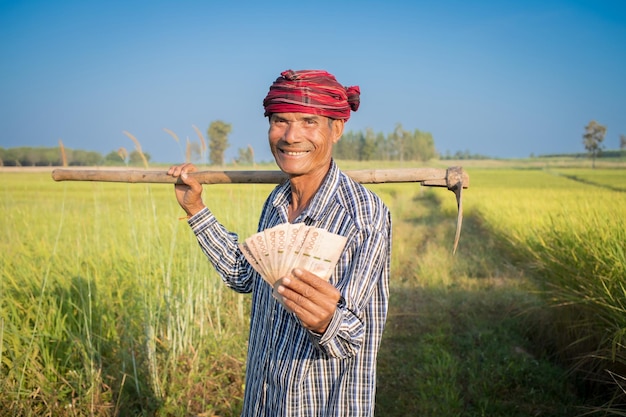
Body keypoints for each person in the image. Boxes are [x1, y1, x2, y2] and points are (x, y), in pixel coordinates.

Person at [168, 69, 391, 416]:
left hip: (319, 404)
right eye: (280, 121)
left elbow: (350, 335)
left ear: (337, 128)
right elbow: (245, 277)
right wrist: (195, 208)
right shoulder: (277, 201)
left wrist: (325, 320)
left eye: (308, 121)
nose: (290, 136)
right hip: (263, 398)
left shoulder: (362, 215)